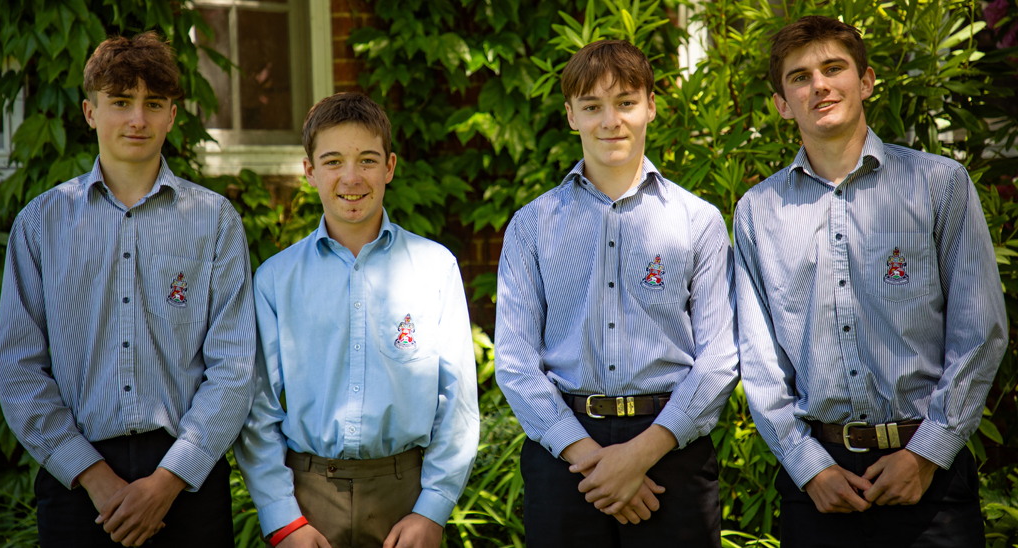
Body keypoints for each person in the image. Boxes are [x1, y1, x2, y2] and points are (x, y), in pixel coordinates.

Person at [734, 15, 1007, 546]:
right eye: (799, 76)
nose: (819, 84)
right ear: (781, 104)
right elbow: (759, 359)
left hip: (931, 476)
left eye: (833, 68)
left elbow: (980, 330)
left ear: (866, 81)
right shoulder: (757, 212)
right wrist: (807, 464)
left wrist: (927, 453)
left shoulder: (938, 185)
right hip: (818, 484)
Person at [0, 32, 257, 548]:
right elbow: (19, 369)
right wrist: (95, 477)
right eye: (120, 102)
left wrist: (167, 481)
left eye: (152, 104)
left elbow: (234, 366)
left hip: (187, 482)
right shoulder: (39, 225)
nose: (137, 119)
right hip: (77, 486)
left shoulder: (215, 222)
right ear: (90, 111)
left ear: (172, 116)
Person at [494, 39, 739, 547]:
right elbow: (516, 360)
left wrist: (638, 455)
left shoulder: (698, 222)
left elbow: (719, 358)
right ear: (570, 116)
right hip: (563, 455)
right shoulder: (531, 226)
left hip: (672, 449)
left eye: (625, 102)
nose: (611, 121)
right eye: (592, 107)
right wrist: (590, 459)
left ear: (650, 105)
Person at [234, 92, 479, 548]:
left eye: (367, 160)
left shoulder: (434, 268)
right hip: (307, 499)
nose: (351, 177)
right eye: (332, 161)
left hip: (405, 496)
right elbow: (256, 410)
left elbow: (457, 404)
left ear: (389, 166)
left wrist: (433, 509)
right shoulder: (275, 280)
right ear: (309, 172)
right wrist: (284, 519)